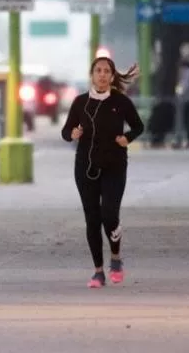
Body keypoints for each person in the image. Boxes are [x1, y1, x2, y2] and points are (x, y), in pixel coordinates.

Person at [61, 56, 145, 288]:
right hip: (85, 168)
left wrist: (126, 138)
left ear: (112, 75)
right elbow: (66, 130)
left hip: (114, 165)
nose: (102, 75)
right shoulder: (80, 103)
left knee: (109, 215)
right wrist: (72, 135)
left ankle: (116, 258)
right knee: (92, 219)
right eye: (98, 70)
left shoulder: (121, 101)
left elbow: (138, 126)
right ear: (92, 74)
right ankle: (98, 271)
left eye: (106, 71)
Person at [174, 59, 189, 149]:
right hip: (188, 100)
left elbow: (185, 86)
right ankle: (187, 141)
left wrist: (177, 92)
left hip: (186, 101)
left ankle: (184, 141)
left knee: (184, 122)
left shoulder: (188, 72)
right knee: (187, 122)